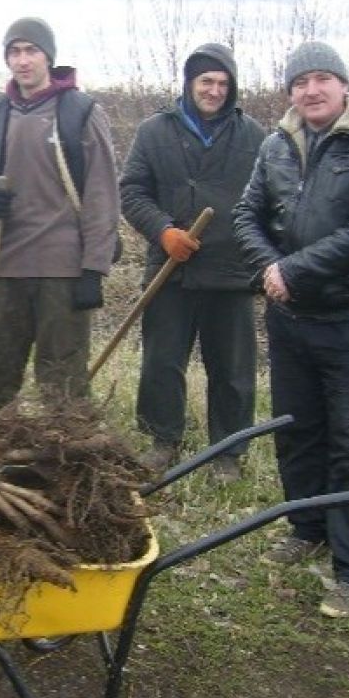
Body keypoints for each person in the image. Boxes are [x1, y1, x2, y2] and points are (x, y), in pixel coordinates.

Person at [232, 40, 349, 617]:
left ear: (342, 84)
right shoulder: (276, 145)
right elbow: (246, 215)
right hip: (289, 320)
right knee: (300, 431)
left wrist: (296, 270)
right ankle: (307, 528)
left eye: (321, 79)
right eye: (299, 82)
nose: (310, 91)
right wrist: (270, 269)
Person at [0, 17, 119, 409]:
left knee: (63, 384)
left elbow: (102, 196)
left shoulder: (80, 113)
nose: (23, 60)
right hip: (5, 266)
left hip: (63, 270)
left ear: (49, 56)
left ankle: (67, 447)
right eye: (15, 52)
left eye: (31, 51)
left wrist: (94, 270)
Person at [120, 43, 264, 481]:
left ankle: (228, 451)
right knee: (162, 362)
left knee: (232, 369)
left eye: (222, 83)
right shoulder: (154, 131)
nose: (214, 91)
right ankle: (163, 439)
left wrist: (260, 260)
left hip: (231, 272)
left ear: (232, 88)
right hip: (171, 270)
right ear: (189, 83)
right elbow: (133, 192)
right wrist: (163, 231)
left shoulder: (254, 137)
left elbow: (268, 201)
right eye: (206, 81)